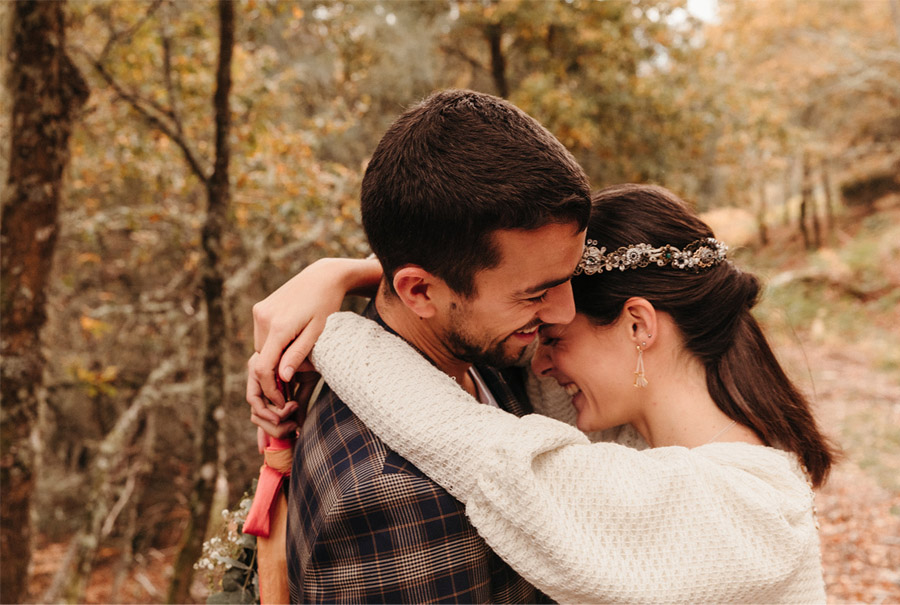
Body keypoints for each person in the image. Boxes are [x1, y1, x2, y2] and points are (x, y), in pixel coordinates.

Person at [252, 184, 838, 603]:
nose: (542, 358)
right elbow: (485, 302)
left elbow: (470, 443)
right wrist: (363, 275)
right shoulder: (628, 423)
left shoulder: (744, 510)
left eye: (555, 337)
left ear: (638, 326)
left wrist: (331, 329)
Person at [247, 88, 594, 603]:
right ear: (421, 291)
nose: (564, 314)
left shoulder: (474, 344)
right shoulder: (387, 493)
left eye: (568, 277)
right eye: (536, 294)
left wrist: (343, 272)